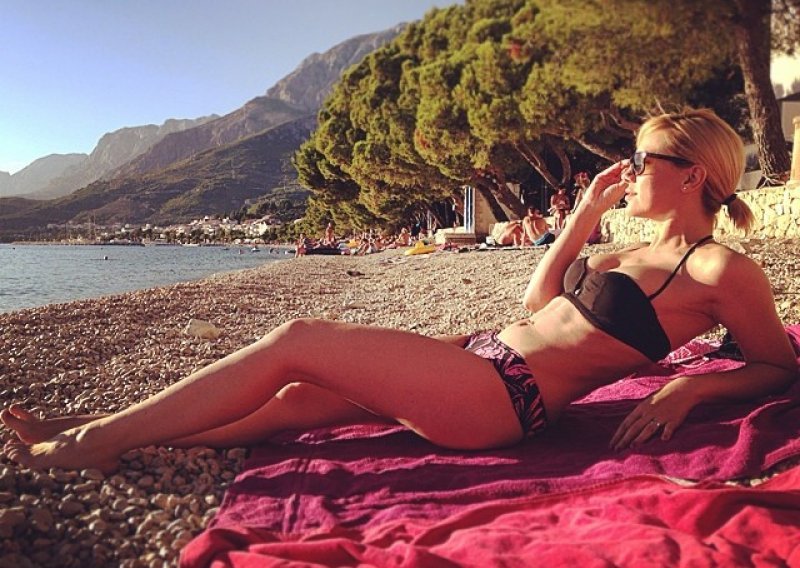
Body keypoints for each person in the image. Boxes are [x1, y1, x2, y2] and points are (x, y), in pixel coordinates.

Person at [3, 109, 797, 474]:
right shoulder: (625, 246)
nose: (627, 169)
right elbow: (537, 303)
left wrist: (690, 388)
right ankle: (105, 428)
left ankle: (93, 443)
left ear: (692, 174)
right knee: (293, 402)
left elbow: (777, 365)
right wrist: (584, 217)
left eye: (643, 159)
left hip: (504, 399)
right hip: (480, 359)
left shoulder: (717, 270)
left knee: (297, 342)